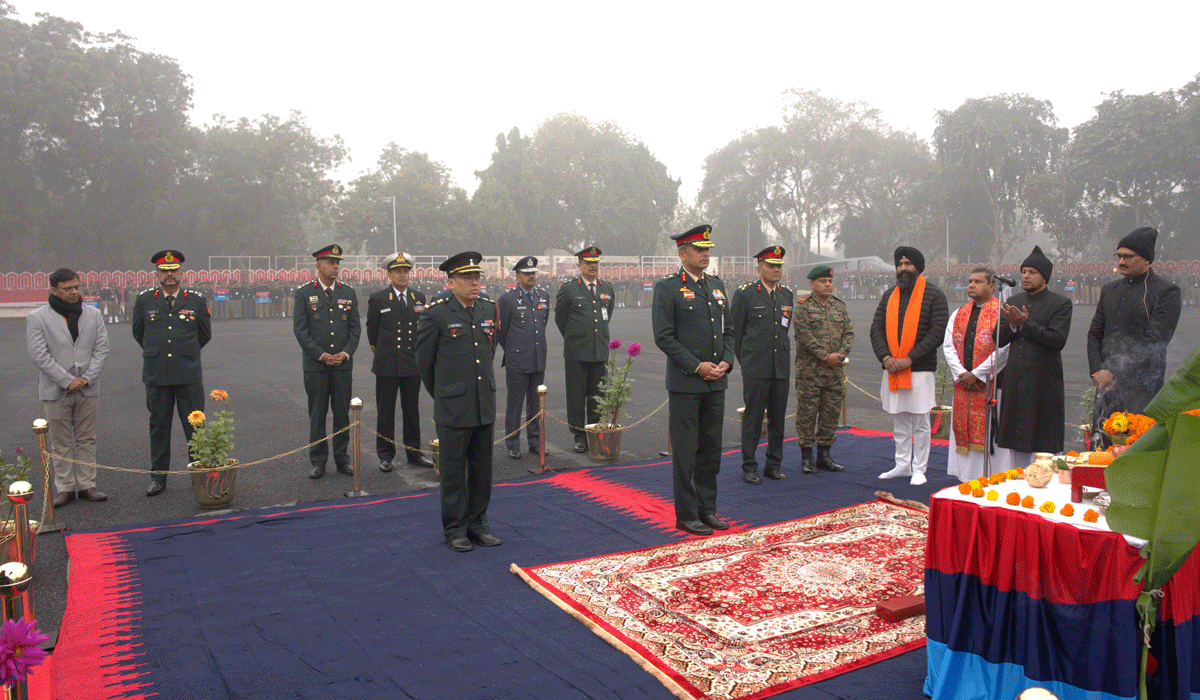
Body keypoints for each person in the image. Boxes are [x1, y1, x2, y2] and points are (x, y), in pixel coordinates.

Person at [416, 252, 502, 552]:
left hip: (483, 404)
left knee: (482, 470)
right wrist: (445, 393)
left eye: (477, 277)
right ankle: (455, 529)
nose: (474, 282)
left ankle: (478, 525)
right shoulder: (435, 313)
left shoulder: (489, 309)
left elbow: (488, 352)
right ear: (451, 282)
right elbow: (425, 364)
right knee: (453, 471)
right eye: (467, 278)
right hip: (453, 405)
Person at [652, 224, 734, 535]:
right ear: (682, 252)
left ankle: (707, 510)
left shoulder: (716, 285)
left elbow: (728, 330)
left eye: (707, 249)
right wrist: (697, 366)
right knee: (686, 453)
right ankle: (686, 515)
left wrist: (727, 360)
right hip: (687, 383)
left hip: (716, 382)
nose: (705, 254)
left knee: (711, 450)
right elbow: (665, 337)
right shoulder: (669, 287)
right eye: (699, 249)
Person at [26, 268, 110, 506]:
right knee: (60, 442)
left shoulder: (92, 315)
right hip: (56, 390)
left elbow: (102, 349)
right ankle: (64, 487)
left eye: (76, 287)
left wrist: (86, 378)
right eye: (68, 288)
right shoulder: (38, 318)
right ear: (54, 290)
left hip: (87, 388)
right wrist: (67, 380)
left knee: (86, 438)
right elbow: (39, 355)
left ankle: (87, 484)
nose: (74, 292)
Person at [132, 250, 212, 496]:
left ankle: (199, 475)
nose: (169, 275)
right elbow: (139, 333)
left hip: (187, 374)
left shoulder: (196, 299)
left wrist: (183, 353)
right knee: (159, 426)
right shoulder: (145, 300)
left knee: (195, 428)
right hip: (157, 375)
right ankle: (158, 478)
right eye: (164, 271)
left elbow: (204, 334)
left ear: (181, 273)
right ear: (156, 274)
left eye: (173, 270)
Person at [1087, 227, 1181, 431]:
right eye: (1119, 256)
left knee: (1134, 452)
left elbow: (1154, 342)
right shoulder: (1109, 290)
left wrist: (1113, 372)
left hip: (1142, 389)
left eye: (1128, 257)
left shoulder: (1166, 292)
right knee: (1101, 450)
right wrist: (1096, 370)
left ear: (1146, 259)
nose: (1121, 262)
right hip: (1107, 388)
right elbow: (1095, 333)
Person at [869, 246, 949, 486]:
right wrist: (885, 357)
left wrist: (910, 358)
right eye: (900, 264)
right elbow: (876, 329)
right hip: (892, 368)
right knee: (900, 420)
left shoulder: (934, 295)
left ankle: (919, 468)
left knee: (921, 422)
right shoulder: (889, 295)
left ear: (918, 267)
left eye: (908, 264)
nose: (903, 268)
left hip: (920, 369)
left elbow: (937, 332)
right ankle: (902, 465)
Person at [995, 246, 1073, 463]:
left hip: (1044, 383)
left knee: (1043, 446)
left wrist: (1025, 323)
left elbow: (1057, 340)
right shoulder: (1014, 301)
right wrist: (1011, 325)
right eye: (1023, 271)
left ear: (1044, 277)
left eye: (1032, 272)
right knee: (1016, 445)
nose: (1026, 276)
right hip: (1016, 381)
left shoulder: (1061, 303)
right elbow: (997, 338)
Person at [292, 244, 360, 479]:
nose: (335, 267)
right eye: (331, 263)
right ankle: (318, 460)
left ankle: (342, 459)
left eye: (337, 263)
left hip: (342, 365)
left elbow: (355, 330)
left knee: (342, 414)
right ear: (318, 265)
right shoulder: (303, 293)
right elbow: (301, 331)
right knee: (317, 414)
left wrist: (345, 353)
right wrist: (321, 354)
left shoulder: (348, 292)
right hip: (316, 366)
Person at [942, 266, 1011, 482]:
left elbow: (1003, 348)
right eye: (970, 281)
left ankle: (992, 477)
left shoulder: (1001, 312)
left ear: (992, 285)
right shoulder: (959, 313)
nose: (971, 285)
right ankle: (964, 478)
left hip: (989, 386)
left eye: (978, 281)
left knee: (991, 435)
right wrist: (962, 374)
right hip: (963, 385)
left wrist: (979, 374)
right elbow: (948, 346)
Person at [366, 252, 433, 472]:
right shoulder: (378, 299)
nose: (402, 275)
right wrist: (382, 353)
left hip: (411, 363)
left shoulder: (419, 298)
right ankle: (386, 455)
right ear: (390, 274)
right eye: (398, 271)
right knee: (385, 412)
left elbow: (421, 330)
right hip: (386, 363)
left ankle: (414, 453)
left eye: (406, 271)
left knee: (412, 410)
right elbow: (372, 333)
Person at [731, 246, 793, 483]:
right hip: (756, 367)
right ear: (759, 268)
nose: (776, 270)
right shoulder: (746, 294)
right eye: (771, 266)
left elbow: (784, 330)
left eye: (779, 266)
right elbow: (735, 334)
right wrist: (746, 362)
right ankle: (749, 466)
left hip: (781, 366)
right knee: (754, 419)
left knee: (778, 419)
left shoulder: (786, 294)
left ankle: (773, 465)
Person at [794, 264, 855, 474]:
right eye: (823, 281)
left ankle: (824, 455)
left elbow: (849, 332)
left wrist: (841, 354)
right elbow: (804, 336)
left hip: (834, 372)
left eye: (830, 281)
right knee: (807, 414)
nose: (828, 284)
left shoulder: (839, 306)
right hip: (810, 373)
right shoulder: (802, 307)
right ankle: (806, 456)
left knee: (831, 413)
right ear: (812, 284)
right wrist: (824, 356)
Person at [555, 246, 615, 453]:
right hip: (577, 352)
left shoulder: (607, 288)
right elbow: (560, 319)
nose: (592, 266)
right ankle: (579, 435)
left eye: (596, 262)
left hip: (599, 351)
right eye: (588, 263)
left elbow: (608, 314)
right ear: (579, 265)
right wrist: (576, 337)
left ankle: (595, 432)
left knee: (598, 395)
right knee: (576, 396)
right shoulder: (569, 289)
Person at [497, 256, 550, 460]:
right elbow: (502, 332)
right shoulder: (508, 298)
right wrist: (513, 349)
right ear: (517, 276)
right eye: (527, 274)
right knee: (515, 404)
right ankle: (513, 443)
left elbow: (542, 324)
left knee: (536, 405)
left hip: (537, 358)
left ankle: (535, 442)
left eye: (533, 273)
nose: (531, 277)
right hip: (517, 360)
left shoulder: (543, 296)